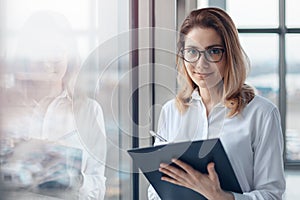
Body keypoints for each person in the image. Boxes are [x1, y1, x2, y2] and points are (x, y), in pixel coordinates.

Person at [148, 7, 285, 200]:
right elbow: (155, 190)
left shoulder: (261, 113)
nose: (201, 64)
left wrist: (222, 197)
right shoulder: (172, 111)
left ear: (230, 54)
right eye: (192, 51)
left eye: (213, 51)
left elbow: (272, 195)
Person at [1, 11, 106, 199]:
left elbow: (97, 187)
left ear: (70, 55)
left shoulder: (89, 111)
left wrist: (71, 176)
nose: (48, 60)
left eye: (57, 50)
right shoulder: (6, 108)